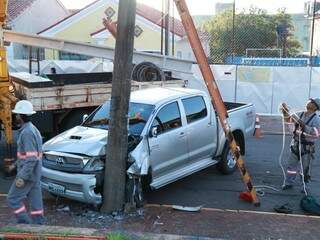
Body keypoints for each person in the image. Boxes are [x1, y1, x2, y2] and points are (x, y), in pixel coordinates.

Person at [6, 100, 44, 224]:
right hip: (35, 174)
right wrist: (15, 165)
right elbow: (28, 155)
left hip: (27, 175)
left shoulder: (26, 133)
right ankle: (38, 226)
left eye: (17, 114)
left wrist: (22, 177)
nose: (15, 116)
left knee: (12, 198)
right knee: (36, 205)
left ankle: (25, 224)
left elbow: (31, 159)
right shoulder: (33, 129)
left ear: (20, 116)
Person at [280, 98, 320, 191]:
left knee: (305, 168)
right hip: (295, 144)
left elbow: (316, 133)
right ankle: (289, 183)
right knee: (291, 166)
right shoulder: (299, 114)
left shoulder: (317, 119)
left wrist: (301, 123)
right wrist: (285, 112)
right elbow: (288, 121)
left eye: (311, 101)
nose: (308, 102)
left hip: (307, 147)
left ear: (315, 106)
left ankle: (305, 186)